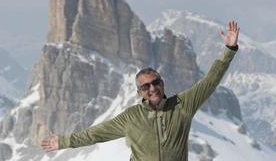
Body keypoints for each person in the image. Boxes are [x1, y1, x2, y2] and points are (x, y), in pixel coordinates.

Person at [41, 21, 240, 161]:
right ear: (139, 92)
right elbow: (96, 134)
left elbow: (210, 81)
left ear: (162, 83)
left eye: (156, 82)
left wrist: (229, 49)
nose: (152, 88)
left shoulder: (182, 105)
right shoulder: (131, 117)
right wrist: (64, 141)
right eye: (146, 86)